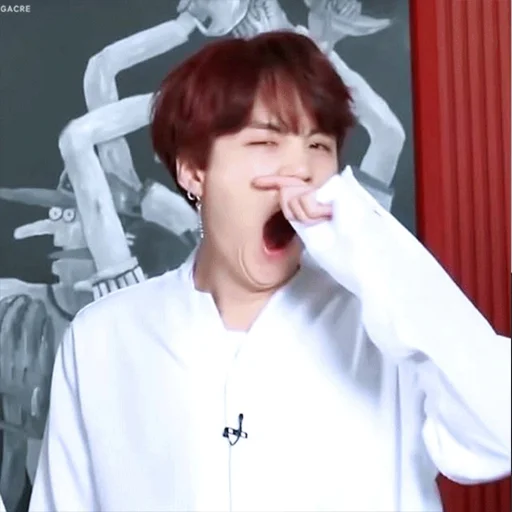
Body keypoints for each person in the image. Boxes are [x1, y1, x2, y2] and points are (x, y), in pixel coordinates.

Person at [29, 31, 510, 512]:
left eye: (319, 145)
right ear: (194, 170)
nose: (300, 169)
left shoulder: (389, 326)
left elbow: (500, 431)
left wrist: (368, 238)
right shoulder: (103, 337)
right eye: (265, 141)